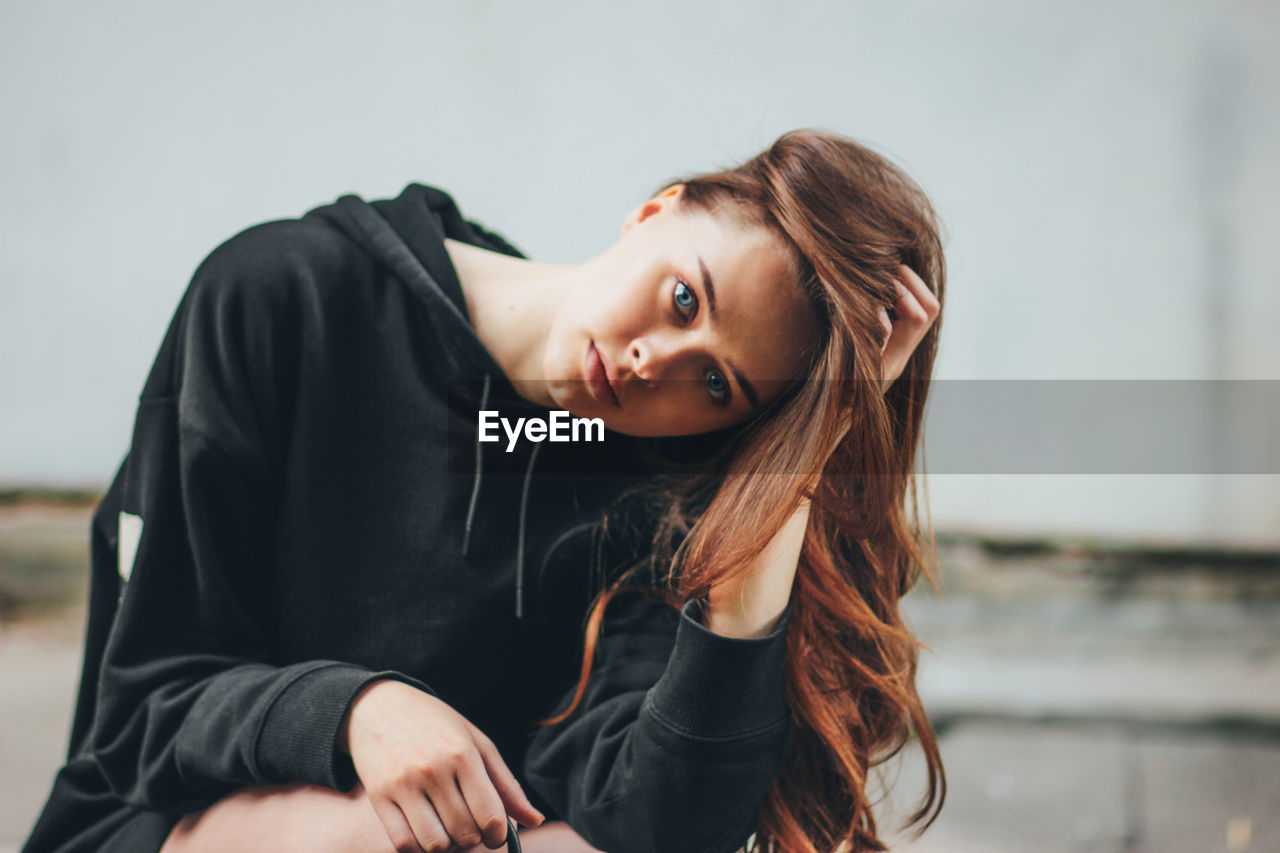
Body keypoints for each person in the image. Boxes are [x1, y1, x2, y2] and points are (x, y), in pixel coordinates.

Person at [21, 128, 945, 853]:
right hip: (159, 821)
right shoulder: (286, 295)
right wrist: (355, 712)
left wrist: (798, 467)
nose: (651, 363)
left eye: (715, 386)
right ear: (655, 212)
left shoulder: (652, 498)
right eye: (684, 301)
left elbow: (661, 823)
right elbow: (143, 708)